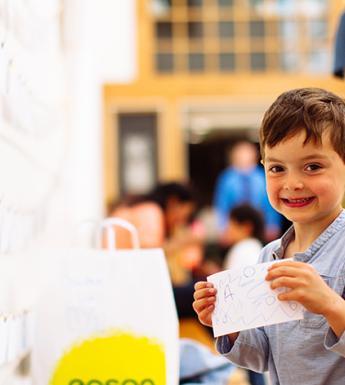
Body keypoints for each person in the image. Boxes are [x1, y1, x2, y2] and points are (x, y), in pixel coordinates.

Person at [193, 88, 345, 385]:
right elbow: (263, 356)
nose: (293, 183)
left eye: (312, 166)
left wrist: (331, 305)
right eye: (277, 168)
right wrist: (226, 323)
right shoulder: (269, 256)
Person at [222, 203, 266, 385]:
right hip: (252, 322)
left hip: (245, 322)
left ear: (246, 227)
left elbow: (235, 289)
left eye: (231, 224)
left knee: (253, 372)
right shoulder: (256, 248)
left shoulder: (244, 249)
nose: (227, 230)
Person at [213, 140, 282, 242]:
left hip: (260, 228)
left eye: (247, 154)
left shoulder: (263, 176)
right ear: (234, 157)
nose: (244, 158)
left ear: (254, 156)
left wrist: (273, 224)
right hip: (236, 229)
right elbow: (222, 205)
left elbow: (271, 204)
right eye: (241, 155)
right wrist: (223, 228)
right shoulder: (227, 178)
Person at [223, 203, 265, 270]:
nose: (228, 229)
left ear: (246, 227)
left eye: (232, 225)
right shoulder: (254, 247)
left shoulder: (244, 249)